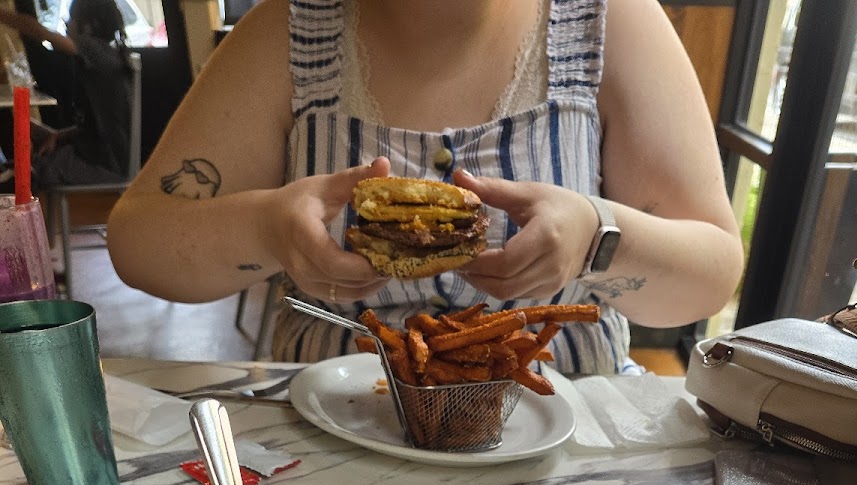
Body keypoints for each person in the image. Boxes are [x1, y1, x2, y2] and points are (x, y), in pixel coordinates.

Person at [107, 0, 744, 374]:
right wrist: (268, 227)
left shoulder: (612, 22)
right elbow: (139, 242)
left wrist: (595, 239)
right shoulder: (288, 31)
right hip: (337, 446)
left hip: (568, 452)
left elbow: (709, 276)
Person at [0, 0, 131, 190]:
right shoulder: (108, 56)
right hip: (100, 159)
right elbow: (99, 127)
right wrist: (58, 135)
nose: (66, 23)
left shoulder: (94, 50)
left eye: (71, 19)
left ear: (87, 27)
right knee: (24, 130)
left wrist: (4, 16)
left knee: (27, 174)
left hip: (101, 165)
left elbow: (41, 33)